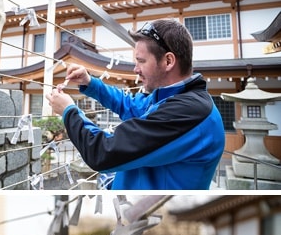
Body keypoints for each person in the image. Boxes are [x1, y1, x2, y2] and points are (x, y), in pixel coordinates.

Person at [48, 18, 225, 190]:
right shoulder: (173, 98)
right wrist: (90, 83)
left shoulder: (188, 112)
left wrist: (69, 111)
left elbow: (103, 153)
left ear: (168, 61)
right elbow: (130, 105)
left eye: (141, 61)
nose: (135, 69)